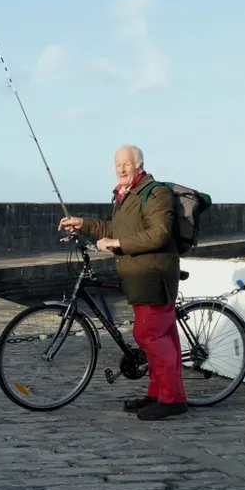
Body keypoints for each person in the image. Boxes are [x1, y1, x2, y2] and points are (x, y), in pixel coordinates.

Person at [58, 144, 189, 421]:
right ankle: (157, 394)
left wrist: (117, 243)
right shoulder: (125, 195)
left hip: (154, 276)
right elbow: (114, 229)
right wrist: (83, 223)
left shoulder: (155, 193)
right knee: (157, 338)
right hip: (138, 276)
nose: (121, 169)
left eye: (126, 164)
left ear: (139, 165)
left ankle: (172, 399)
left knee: (150, 336)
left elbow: (160, 234)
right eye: (117, 165)